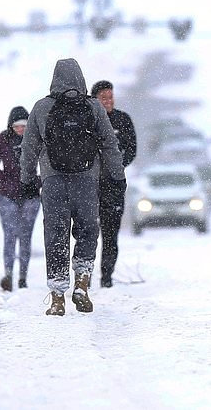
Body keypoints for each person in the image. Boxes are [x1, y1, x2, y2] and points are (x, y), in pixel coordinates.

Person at [20, 59, 126, 317]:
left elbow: (28, 147)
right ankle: (82, 283)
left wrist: (26, 178)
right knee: (88, 230)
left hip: (53, 181)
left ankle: (57, 298)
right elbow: (110, 144)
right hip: (87, 180)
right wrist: (117, 176)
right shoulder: (93, 107)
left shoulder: (42, 107)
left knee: (56, 235)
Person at [0, 106, 41, 292]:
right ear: (11, 125)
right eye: (17, 126)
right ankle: (8, 275)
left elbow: (48, 162)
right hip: (7, 196)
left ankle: (23, 277)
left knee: (26, 237)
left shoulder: (36, 139)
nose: (20, 129)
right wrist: (5, 180)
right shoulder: (2, 140)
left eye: (24, 125)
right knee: (10, 236)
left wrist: (39, 181)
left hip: (31, 196)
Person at [89, 79, 137, 288]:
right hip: (90, 187)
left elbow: (132, 150)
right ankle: (85, 277)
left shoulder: (123, 120)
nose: (108, 101)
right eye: (103, 98)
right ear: (95, 100)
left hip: (114, 186)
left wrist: (116, 166)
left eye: (110, 97)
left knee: (110, 235)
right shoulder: (88, 120)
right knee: (88, 234)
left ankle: (107, 278)